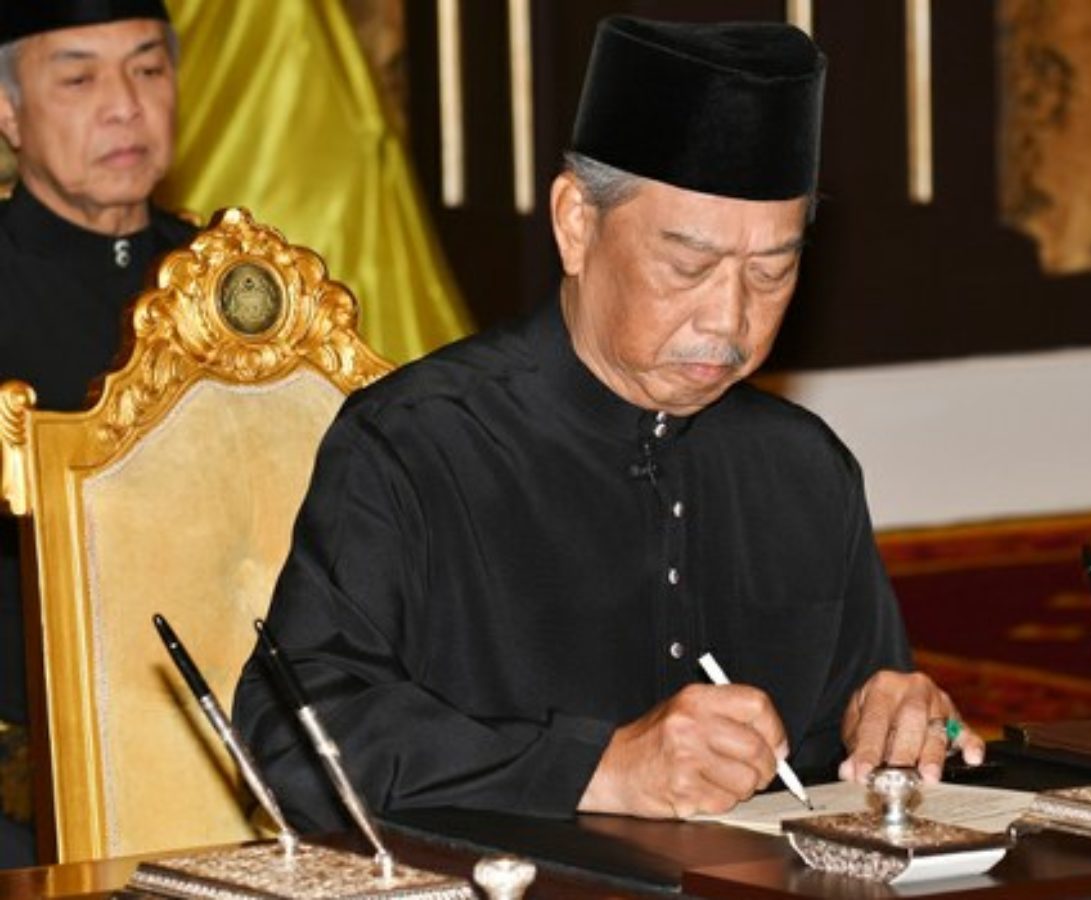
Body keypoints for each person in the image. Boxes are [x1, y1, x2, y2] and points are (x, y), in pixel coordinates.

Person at [234, 15, 985, 830]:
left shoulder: (804, 470)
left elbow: (852, 746)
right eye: (688, 266)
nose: (730, 319)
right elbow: (292, 742)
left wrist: (891, 716)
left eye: (772, 272)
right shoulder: (418, 445)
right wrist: (597, 769)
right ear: (576, 224)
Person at [0, 0, 192, 867]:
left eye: (148, 70)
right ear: (7, 112)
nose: (124, 104)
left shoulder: (232, 284)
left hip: (217, 760)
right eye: (78, 77)